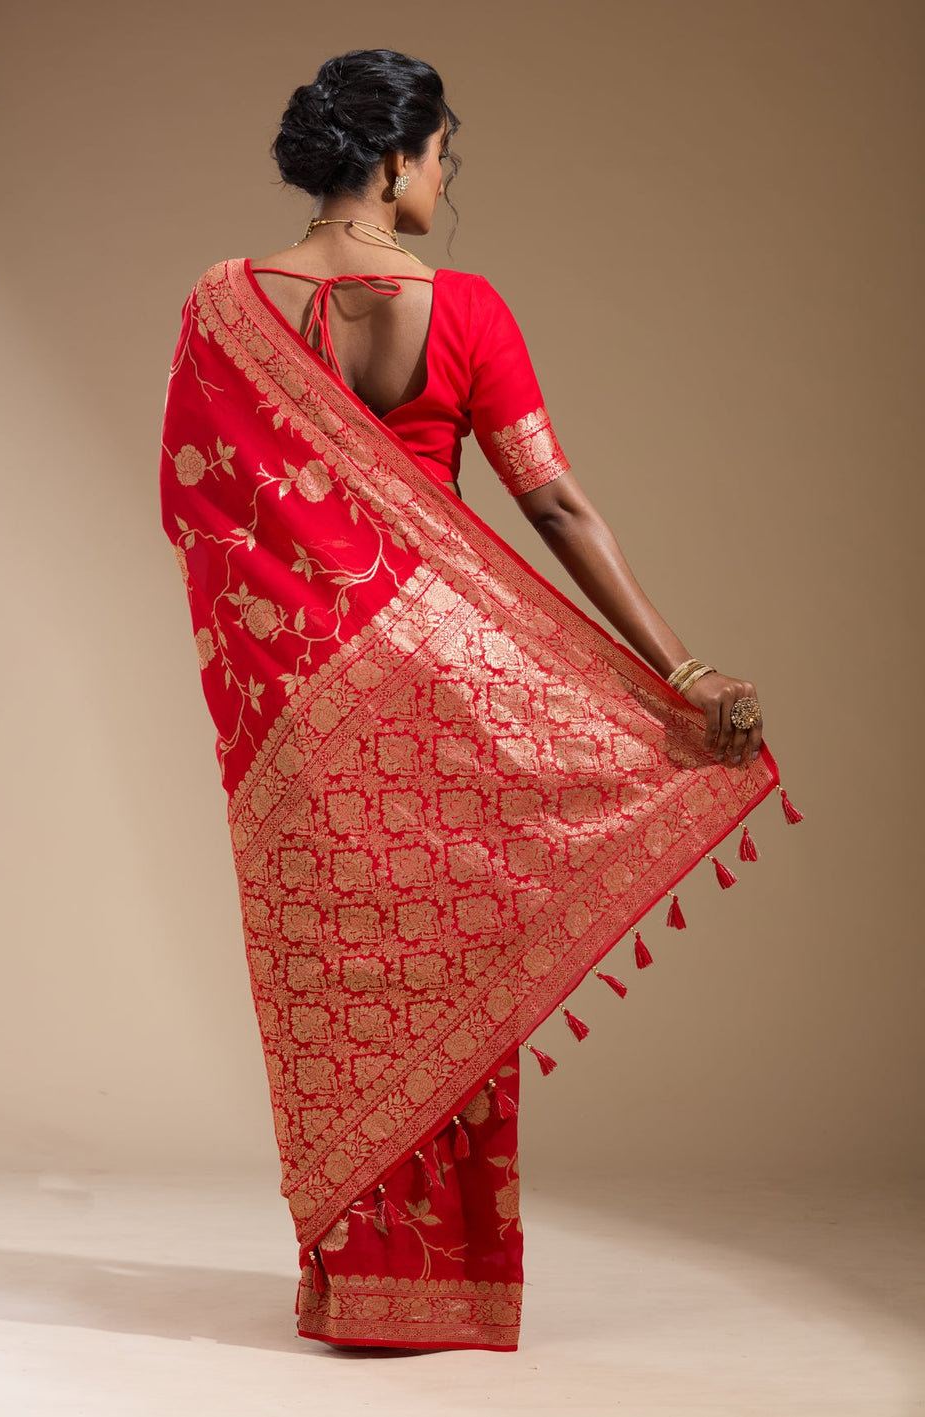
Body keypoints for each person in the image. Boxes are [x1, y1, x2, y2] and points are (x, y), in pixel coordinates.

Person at [158, 47, 799, 1354]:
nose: (443, 184)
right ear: (395, 157)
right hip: (454, 691)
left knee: (342, 979)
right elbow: (551, 501)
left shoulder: (225, 306)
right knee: (455, 962)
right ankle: (445, 1286)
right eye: (441, 158)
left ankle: (357, 1288)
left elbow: (196, 503)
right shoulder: (464, 309)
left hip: (308, 705)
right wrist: (681, 672)